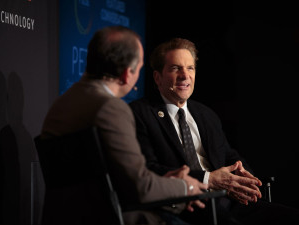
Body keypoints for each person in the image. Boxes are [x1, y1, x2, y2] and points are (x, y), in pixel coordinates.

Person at [39, 26, 208, 225]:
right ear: (128, 74)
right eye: (140, 68)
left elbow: (116, 179)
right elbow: (141, 187)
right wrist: (185, 188)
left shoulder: (61, 103)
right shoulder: (111, 109)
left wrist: (168, 183)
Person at [129, 37, 299, 225]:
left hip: (229, 201)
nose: (185, 76)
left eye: (190, 68)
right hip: (187, 205)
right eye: (176, 68)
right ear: (157, 77)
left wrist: (244, 178)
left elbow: (228, 155)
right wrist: (208, 179)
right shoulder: (139, 113)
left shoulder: (205, 114)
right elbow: (148, 170)